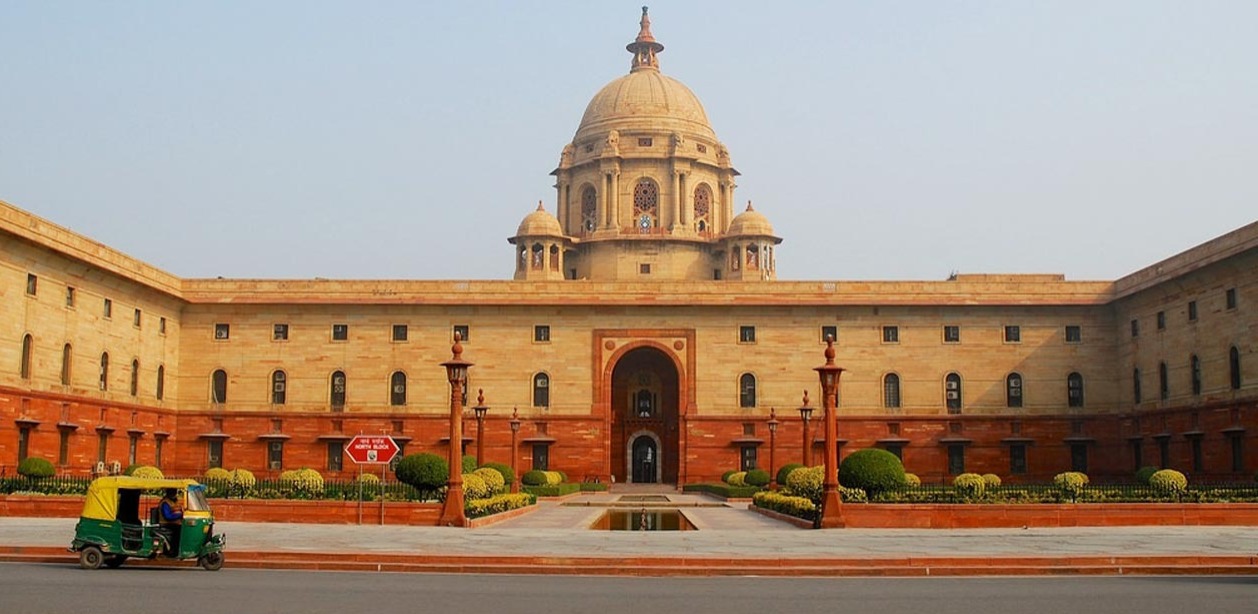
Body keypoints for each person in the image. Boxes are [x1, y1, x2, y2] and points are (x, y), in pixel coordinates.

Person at [158, 488, 183, 554]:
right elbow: (168, 516)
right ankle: (173, 550)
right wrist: (180, 515)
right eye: (172, 492)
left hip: (176, 522)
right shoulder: (165, 503)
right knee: (178, 531)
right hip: (166, 523)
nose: (174, 493)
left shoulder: (176, 501)